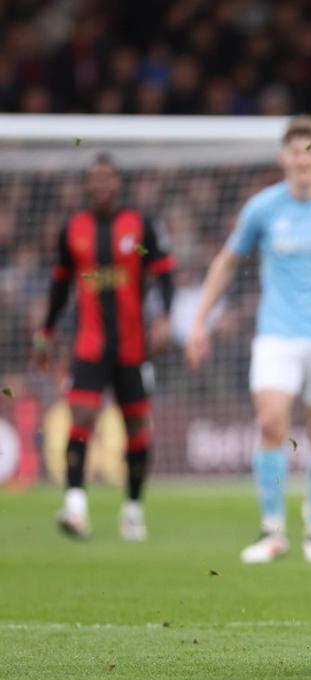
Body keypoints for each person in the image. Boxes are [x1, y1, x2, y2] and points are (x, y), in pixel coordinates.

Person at [185, 115, 311, 564]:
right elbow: (226, 263)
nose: (302, 159)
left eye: (310, 150)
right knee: (272, 425)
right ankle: (273, 530)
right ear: (284, 158)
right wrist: (200, 320)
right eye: (296, 151)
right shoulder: (263, 207)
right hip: (277, 334)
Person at [34, 153, 174, 541]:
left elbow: (163, 272)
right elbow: (61, 285)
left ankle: (132, 510)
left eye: (106, 178)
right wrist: (45, 331)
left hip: (132, 346)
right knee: (81, 415)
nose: (99, 185)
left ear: (117, 183)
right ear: (86, 185)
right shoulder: (73, 230)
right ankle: (75, 508)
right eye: (92, 179)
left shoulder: (139, 226)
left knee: (136, 428)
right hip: (89, 344)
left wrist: (164, 317)